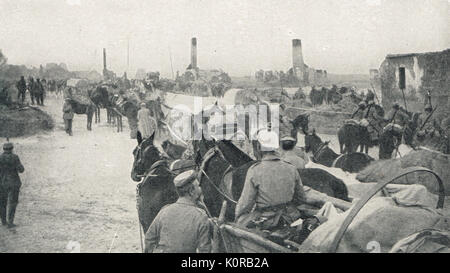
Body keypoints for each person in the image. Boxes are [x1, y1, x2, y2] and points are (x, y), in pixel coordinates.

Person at [235, 129, 306, 229]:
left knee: (239, 223)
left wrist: (238, 216)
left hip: (267, 220)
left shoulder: (255, 170)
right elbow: (301, 197)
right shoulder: (291, 168)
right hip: (291, 217)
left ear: (259, 147)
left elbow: (245, 203)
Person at [144, 170, 212, 253]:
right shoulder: (200, 216)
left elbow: (149, 239)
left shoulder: (164, 211)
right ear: (191, 191)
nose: (200, 189)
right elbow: (205, 250)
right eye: (198, 186)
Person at [0, 142, 25, 228]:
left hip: (2, 183)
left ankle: (3, 221)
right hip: (14, 182)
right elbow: (21, 170)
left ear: (3, 149)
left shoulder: (0, 158)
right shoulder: (15, 157)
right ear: (12, 149)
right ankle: (10, 222)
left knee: (2, 202)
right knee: (13, 202)